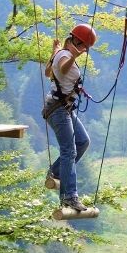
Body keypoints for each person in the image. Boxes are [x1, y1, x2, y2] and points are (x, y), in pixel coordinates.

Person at [42, 24, 97, 211]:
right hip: (58, 111)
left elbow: (48, 72)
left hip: (64, 108)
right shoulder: (66, 56)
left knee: (83, 142)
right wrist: (72, 55)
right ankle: (69, 196)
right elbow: (63, 70)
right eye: (85, 46)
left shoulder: (61, 52)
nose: (86, 50)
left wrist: (55, 51)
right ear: (78, 41)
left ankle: (56, 171)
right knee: (69, 151)